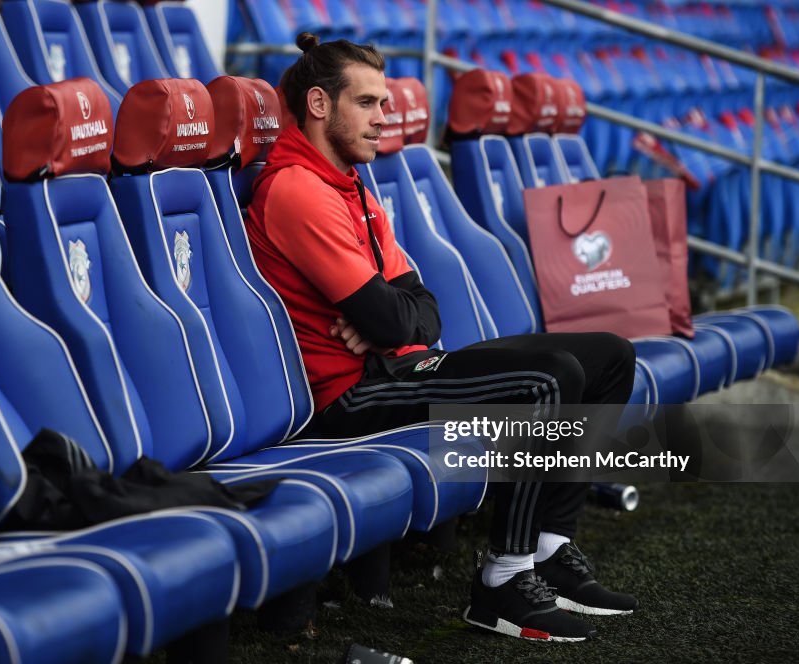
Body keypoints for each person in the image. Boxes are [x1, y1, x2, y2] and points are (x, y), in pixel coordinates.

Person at [246, 32, 638, 642]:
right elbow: (391, 320)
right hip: (347, 396)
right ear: (320, 105)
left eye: (384, 102)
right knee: (549, 377)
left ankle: (550, 546)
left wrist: (392, 316)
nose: (386, 117)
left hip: (400, 367)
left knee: (610, 356)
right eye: (369, 103)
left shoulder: (350, 184)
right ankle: (502, 581)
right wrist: (390, 318)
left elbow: (424, 310)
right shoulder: (298, 188)